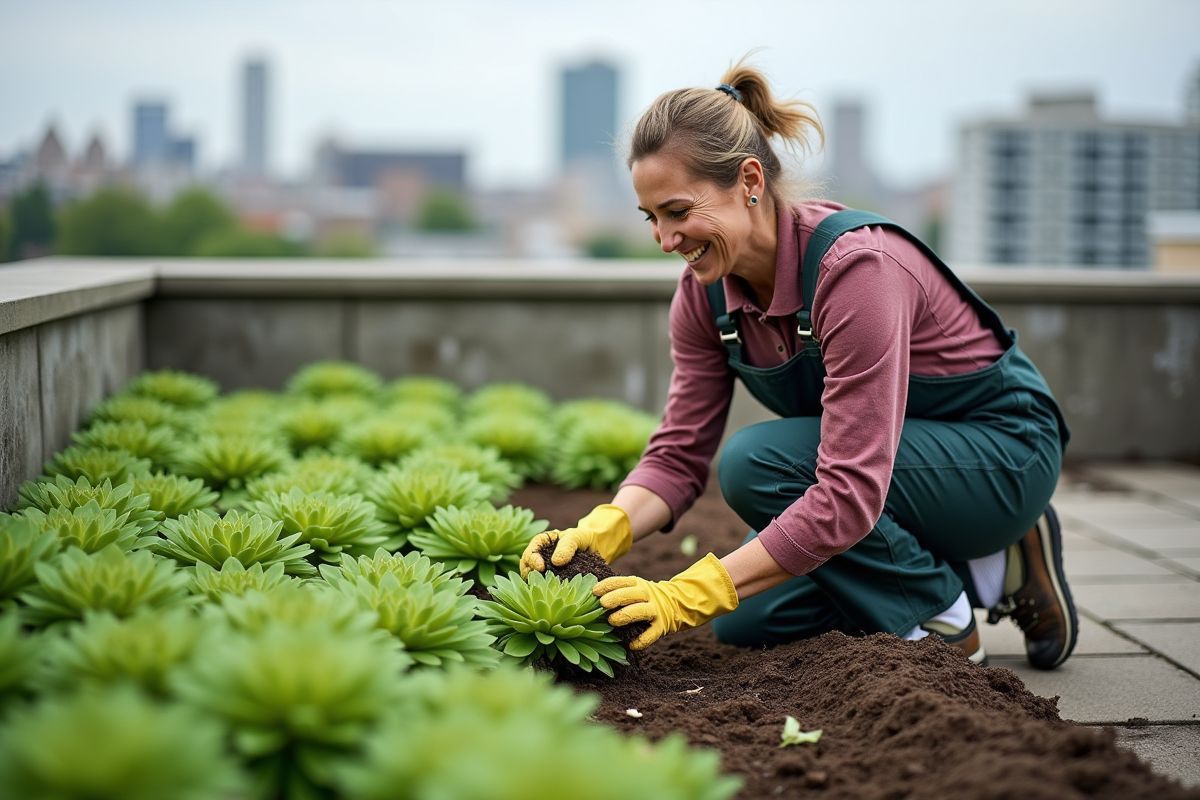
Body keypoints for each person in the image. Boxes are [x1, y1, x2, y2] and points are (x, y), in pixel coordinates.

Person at [520, 61, 1077, 670]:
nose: (664, 239)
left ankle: (943, 612)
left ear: (749, 180)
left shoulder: (857, 272)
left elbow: (846, 489)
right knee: (748, 619)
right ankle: (990, 569)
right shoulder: (705, 294)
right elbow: (679, 450)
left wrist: (685, 594)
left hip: (999, 453)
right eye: (650, 217)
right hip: (891, 468)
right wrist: (607, 528)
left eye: (678, 211)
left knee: (757, 463)